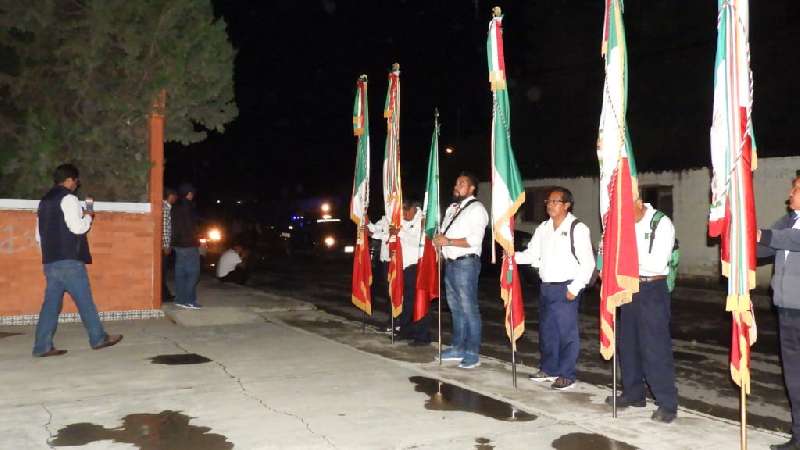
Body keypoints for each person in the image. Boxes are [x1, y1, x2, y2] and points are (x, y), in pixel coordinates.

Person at [32, 163, 123, 357]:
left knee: (50, 305)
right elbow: (77, 228)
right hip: (69, 261)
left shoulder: (44, 201)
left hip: (50, 261)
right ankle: (98, 338)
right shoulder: (69, 198)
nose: (76, 184)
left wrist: (49, 255)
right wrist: (88, 216)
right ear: (69, 180)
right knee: (85, 301)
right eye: (76, 181)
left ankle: (42, 346)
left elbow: (38, 235)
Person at [606, 198, 679, 423]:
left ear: (637, 201)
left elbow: (657, 264)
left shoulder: (661, 223)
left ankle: (667, 403)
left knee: (654, 347)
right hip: (630, 287)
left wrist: (623, 262)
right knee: (628, 344)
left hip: (652, 288)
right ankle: (634, 392)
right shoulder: (624, 224)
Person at [516, 187, 594, 391]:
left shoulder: (578, 228)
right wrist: (512, 256)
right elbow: (532, 254)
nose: (550, 205)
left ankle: (567, 375)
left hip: (566, 287)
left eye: (555, 201)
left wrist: (575, 288)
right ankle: (549, 369)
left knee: (566, 334)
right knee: (547, 332)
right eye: (548, 202)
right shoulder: (543, 228)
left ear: (567, 205)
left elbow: (588, 263)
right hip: (546, 287)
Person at [757, 175, 800, 450]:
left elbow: (792, 241)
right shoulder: (788, 221)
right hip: (787, 312)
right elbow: (762, 248)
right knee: (794, 379)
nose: (789, 194)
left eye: (796, 189)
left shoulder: (791, 230)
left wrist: (760, 233)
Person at [433, 172, 489, 369]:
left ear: (472, 188)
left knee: (468, 309)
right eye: (456, 182)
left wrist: (447, 241)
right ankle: (458, 347)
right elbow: (444, 234)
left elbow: (474, 240)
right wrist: (440, 245)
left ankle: (472, 352)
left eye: (462, 183)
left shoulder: (477, 209)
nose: (457, 186)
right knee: (455, 308)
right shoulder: (453, 209)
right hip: (450, 263)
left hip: (466, 264)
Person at [392, 198, 431, 345]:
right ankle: (406, 331)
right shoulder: (404, 221)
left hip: (417, 266)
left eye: (406, 210)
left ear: (415, 208)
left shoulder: (423, 220)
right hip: (405, 267)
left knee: (419, 301)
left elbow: (418, 242)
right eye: (402, 210)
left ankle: (422, 336)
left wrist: (400, 233)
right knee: (407, 302)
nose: (404, 213)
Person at [171, 183, 202, 309]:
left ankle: (180, 299)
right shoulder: (189, 206)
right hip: (189, 244)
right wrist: (196, 238)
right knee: (193, 273)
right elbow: (192, 226)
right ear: (189, 194)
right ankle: (189, 300)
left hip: (177, 244)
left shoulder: (174, 207)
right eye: (192, 193)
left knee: (180, 273)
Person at [367, 214, 393, 332]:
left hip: (397, 260)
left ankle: (397, 322)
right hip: (385, 259)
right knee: (389, 293)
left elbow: (393, 236)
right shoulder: (384, 218)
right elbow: (374, 228)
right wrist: (366, 220)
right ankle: (392, 321)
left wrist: (374, 235)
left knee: (396, 293)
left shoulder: (400, 217)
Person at [161, 187, 178, 302]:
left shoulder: (166, 207)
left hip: (164, 245)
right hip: (163, 246)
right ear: (170, 196)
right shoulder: (165, 208)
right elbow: (165, 228)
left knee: (163, 270)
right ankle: (164, 295)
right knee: (163, 270)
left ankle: (165, 294)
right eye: (174, 196)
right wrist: (166, 245)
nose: (176, 198)